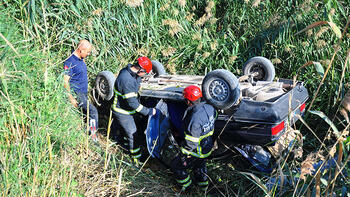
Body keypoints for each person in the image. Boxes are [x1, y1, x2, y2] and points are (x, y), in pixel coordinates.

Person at [170, 85, 217, 192]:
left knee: (176, 166)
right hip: (207, 146)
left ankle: (187, 188)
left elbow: (191, 143)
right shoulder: (210, 108)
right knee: (199, 167)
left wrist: (183, 154)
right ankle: (203, 189)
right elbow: (215, 116)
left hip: (197, 151)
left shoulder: (194, 119)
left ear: (188, 101)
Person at [111, 56, 156, 164]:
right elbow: (132, 103)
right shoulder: (126, 80)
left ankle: (125, 143)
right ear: (141, 70)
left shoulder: (132, 72)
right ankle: (136, 159)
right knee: (132, 134)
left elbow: (137, 81)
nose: (144, 75)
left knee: (136, 129)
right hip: (123, 111)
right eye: (145, 73)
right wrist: (148, 112)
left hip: (129, 110)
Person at [63, 40, 98, 142]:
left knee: (85, 114)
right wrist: (71, 98)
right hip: (77, 93)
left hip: (83, 92)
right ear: (81, 50)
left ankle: (84, 133)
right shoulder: (70, 62)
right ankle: (93, 138)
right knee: (93, 111)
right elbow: (65, 81)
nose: (88, 54)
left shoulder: (80, 58)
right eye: (87, 52)